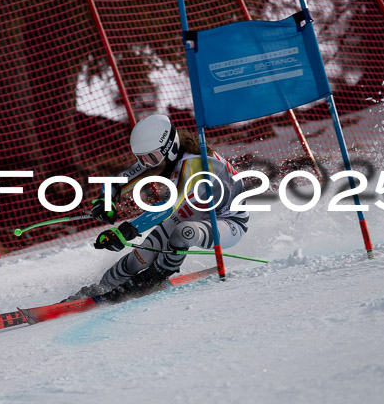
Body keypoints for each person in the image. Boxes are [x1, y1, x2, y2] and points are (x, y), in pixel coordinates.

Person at [69, 114, 249, 302]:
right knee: (141, 256)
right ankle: (100, 288)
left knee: (183, 233)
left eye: (151, 158)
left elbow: (168, 207)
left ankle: (153, 278)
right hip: (192, 210)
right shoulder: (161, 158)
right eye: (141, 158)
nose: (147, 164)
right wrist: (106, 201)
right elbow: (116, 182)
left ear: (169, 149)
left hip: (227, 221)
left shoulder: (193, 163)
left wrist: (127, 230)